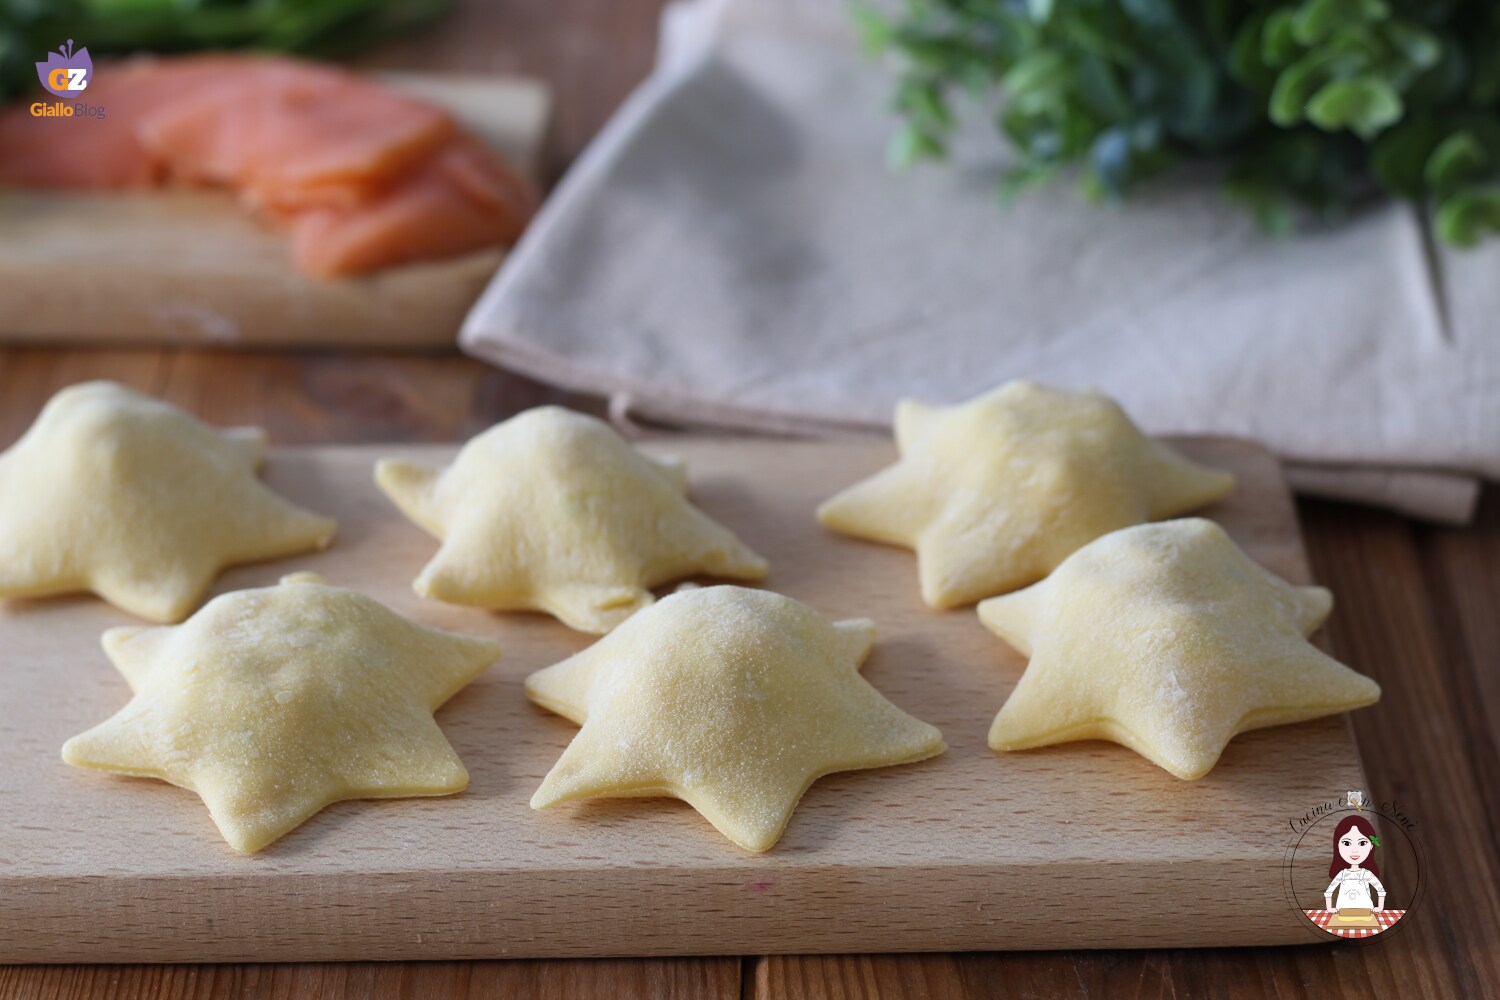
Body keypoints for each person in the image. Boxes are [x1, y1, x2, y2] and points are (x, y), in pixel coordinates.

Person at [1324, 814, 1386, 913]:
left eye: (1362, 843)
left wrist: (1379, 907)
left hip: (1365, 913)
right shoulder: (1342, 874)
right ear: (1338, 846)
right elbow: (1328, 892)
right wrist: (1330, 908)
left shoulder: (1366, 874)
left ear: (1371, 846)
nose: (1354, 850)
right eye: (1347, 843)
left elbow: (1381, 890)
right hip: (1343, 913)